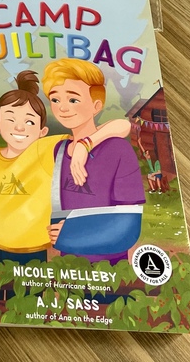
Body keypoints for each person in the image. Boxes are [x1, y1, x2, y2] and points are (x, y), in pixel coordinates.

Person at [0, 71, 131, 264]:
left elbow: (122, 126)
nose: (19, 128)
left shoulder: (51, 149)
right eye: (10, 119)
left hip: (34, 254)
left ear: (42, 131)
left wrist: (84, 145)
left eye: (29, 121)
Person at [43, 59, 145, 264]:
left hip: (109, 267)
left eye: (73, 100)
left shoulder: (118, 149)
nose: (62, 108)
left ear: (96, 106)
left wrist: (72, 234)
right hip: (68, 264)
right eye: (55, 99)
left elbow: (127, 227)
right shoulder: (59, 150)